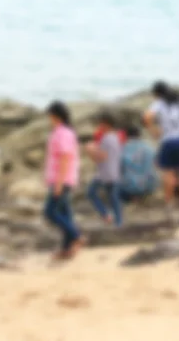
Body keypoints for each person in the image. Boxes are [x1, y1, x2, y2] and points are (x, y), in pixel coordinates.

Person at [143, 81, 179, 223]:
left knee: (168, 172)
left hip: (167, 141)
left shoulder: (158, 103)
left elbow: (147, 117)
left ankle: (169, 202)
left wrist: (153, 130)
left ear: (156, 93)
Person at [44, 100, 84, 259]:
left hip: (62, 179)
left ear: (56, 117)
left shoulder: (63, 133)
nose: (49, 120)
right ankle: (67, 249)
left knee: (50, 212)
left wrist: (59, 183)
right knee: (65, 214)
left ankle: (76, 236)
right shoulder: (64, 132)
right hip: (63, 178)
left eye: (50, 116)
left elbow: (66, 158)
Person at [86, 112, 124, 227]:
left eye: (101, 123)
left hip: (104, 174)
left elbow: (102, 157)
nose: (99, 126)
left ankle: (105, 214)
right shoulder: (116, 137)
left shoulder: (107, 138)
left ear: (106, 124)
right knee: (114, 198)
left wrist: (90, 150)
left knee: (91, 193)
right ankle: (118, 222)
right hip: (114, 172)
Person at [119, 125, 158, 202]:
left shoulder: (123, 148)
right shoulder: (149, 147)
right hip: (150, 184)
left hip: (130, 185)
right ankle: (141, 195)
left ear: (126, 135)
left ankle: (133, 196)